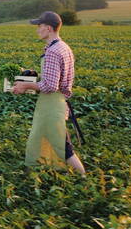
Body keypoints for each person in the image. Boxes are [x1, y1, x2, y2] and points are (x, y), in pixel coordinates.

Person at [13, 11, 86, 175]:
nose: (37, 30)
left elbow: (50, 85)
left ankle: (83, 177)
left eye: (39, 26)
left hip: (52, 105)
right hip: (57, 102)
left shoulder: (53, 52)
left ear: (49, 28)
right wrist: (32, 79)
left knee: (63, 145)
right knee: (39, 137)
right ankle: (35, 174)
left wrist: (25, 86)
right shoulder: (63, 47)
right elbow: (53, 80)